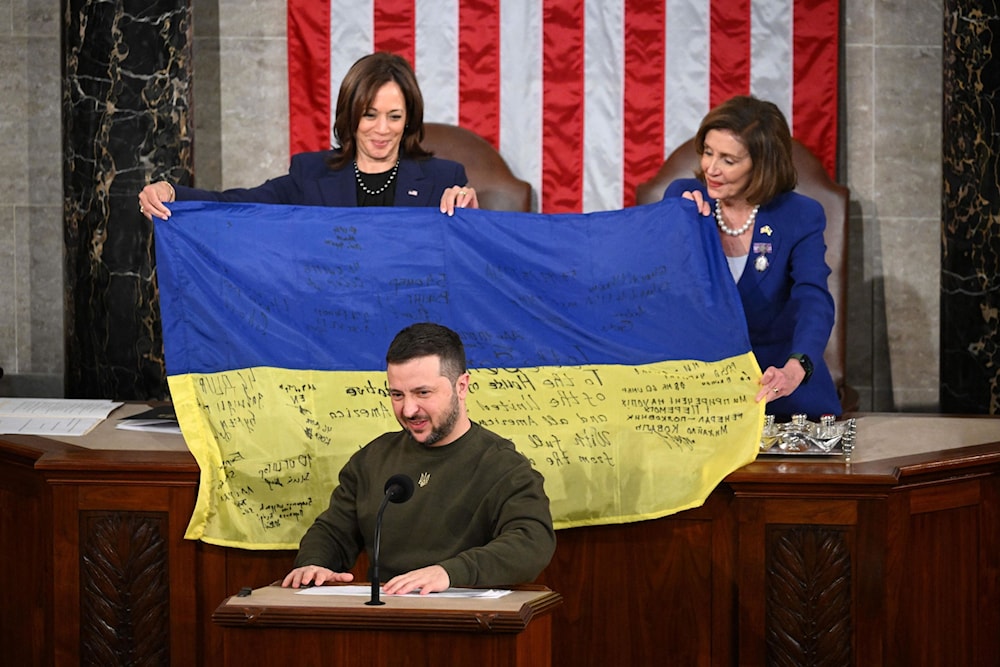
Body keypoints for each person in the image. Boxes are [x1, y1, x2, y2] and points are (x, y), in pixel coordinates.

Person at [281, 322, 556, 594]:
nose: (409, 409)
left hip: (466, 622)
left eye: (423, 393)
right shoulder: (371, 460)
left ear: (461, 386)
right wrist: (314, 565)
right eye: (397, 395)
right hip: (382, 617)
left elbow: (531, 542)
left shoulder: (504, 467)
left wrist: (449, 573)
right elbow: (332, 532)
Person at [662, 95, 841, 420]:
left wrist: (795, 367)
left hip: (776, 385)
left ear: (762, 164)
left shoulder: (798, 215)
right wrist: (679, 225)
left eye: (728, 160)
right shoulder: (683, 199)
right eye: (708, 152)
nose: (711, 169)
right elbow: (661, 287)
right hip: (699, 391)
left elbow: (813, 298)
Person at [138, 52, 478, 220]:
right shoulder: (309, 174)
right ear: (350, 115)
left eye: (395, 117)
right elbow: (239, 204)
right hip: (332, 327)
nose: (382, 129)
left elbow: (476, 261)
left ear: (409, 120)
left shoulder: (445, 178)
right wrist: (173, 194)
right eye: (369, 114)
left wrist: (473, 217)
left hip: (414, 330)